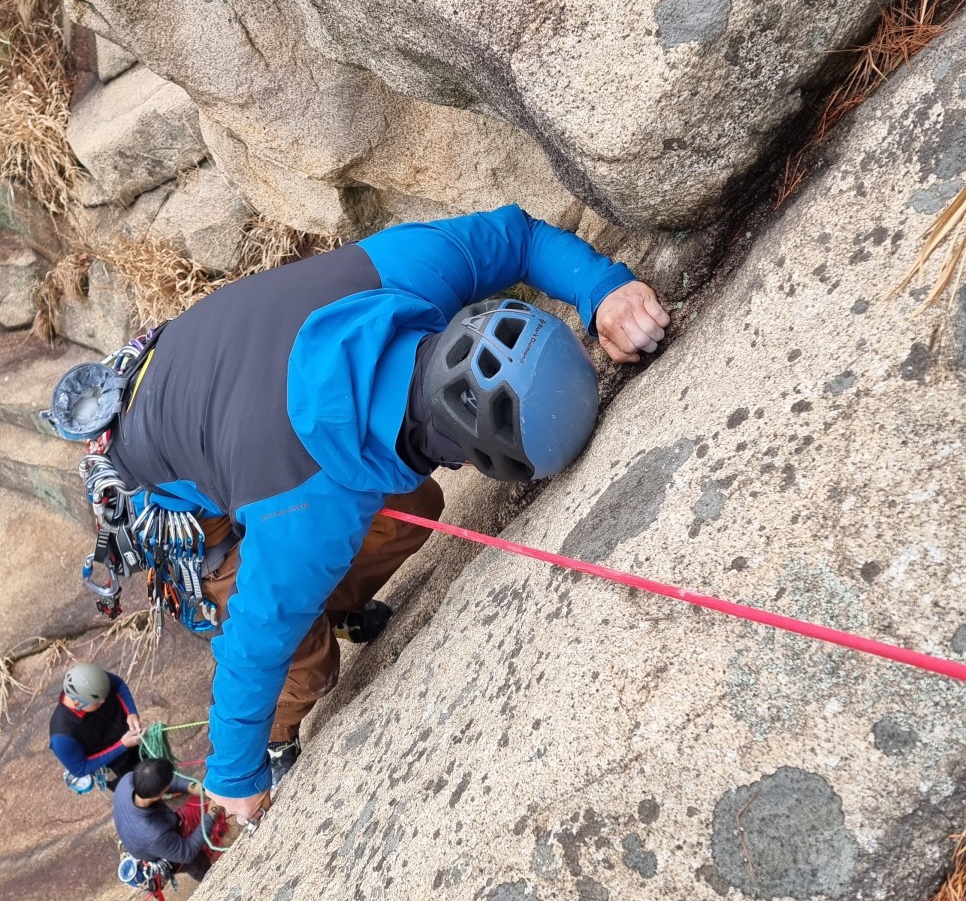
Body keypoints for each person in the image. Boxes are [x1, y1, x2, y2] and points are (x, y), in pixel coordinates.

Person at [43, 207, 668, 821]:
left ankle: (336, 605)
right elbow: (255, 643)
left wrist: (603, 290)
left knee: (415, 508)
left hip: (199, 373)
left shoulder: (408, 272)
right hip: (161, 488)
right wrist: (236, 772)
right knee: (305, 663)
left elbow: (517, 237)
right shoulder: (303, 503)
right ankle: (282, 730)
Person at [113, 756, 213, 882]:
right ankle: (211, 880)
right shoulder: (155, 834)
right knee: (197, 863)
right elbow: (187, 852)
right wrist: (212, 813)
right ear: (158, 795)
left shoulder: (127, 782)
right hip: (159, 850)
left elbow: (158, 784)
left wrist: (188, 786)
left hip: (137, 837)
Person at [49, 662, 142, 792]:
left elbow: (118, 685)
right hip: (112, 765)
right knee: (135, 791)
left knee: (152, 770)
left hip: (131, 739)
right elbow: (81, 768)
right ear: (77, 703)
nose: (104, 701)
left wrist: (131, 712)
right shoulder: (62, 736)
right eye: (98, 702)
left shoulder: (95, 683)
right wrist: (122, 746)